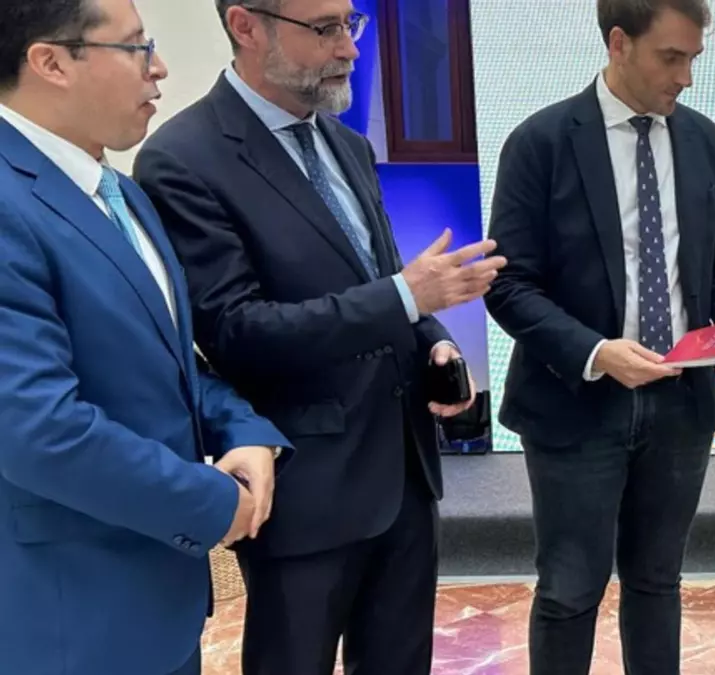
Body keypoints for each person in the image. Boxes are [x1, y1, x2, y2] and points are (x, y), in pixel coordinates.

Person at [132, 1, 503, 673]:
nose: (350, 49)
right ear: (246, 26)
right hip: (305, 489)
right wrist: (406, 297)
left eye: (350, 24)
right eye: (325, 28)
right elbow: (236, 331)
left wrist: (434, 340)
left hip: (405, 475)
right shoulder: (183, 159)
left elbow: (379, 278)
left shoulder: (346, 144)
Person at [484, 1, 715, 673]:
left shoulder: (705, 141)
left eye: (693, 59)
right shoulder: (542, 143)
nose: (685, 78)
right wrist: (595, 352)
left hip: (680, 404)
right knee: (569, 591)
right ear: (619, 43)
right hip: (575, 402)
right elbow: (509, 285)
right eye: (670, 58)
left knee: (657, 583)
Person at [0, 1, 293, 674]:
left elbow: (167, 360)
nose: (159, 69)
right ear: (50, 62)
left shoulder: (118, 192)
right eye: (135, 48)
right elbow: (39, 431)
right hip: (68, 619)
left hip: (155, 602)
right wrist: (211, 502)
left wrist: (244, 429)